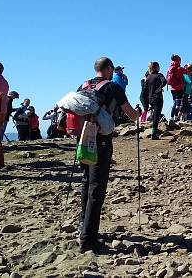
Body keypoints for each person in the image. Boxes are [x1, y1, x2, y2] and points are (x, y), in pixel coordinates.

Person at [76, 57, 139, 253]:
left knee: (87, 182)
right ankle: (88, 238)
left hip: (83, 137)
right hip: (101, 139)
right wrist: (138, 113)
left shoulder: (83, 85)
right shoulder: (113, 87)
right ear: (109, 69)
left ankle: (83, 226)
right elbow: (130, 114)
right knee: (97, 186)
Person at [143, 62, 166, 139]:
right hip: (158, 98)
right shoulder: (159, 75)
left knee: (154, 115)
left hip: (150, 99)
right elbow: (165, 81)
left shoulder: (148, 77)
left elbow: (145, 90)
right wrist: (160, 87)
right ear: (156, 67)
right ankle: (154, 133)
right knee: (156, 115)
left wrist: (145, 102)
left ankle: (153, 131)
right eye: (158, 66)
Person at [166, 55, 186, 120]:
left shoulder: (170, 68)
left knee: (174, 103)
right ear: (178, 60)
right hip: (179, 88)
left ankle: (171, 117)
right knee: (178, 105)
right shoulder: (179, 68)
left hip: (172, 88)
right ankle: (176, 118)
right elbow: (187, 72)